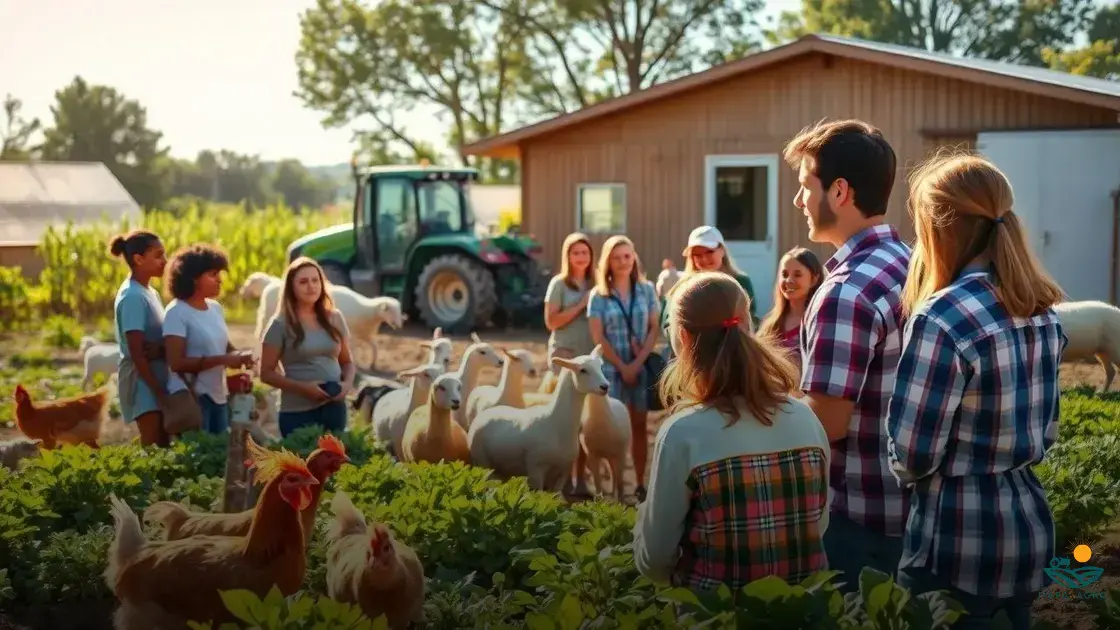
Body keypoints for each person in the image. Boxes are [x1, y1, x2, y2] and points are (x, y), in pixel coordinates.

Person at [885, 152, 1065, 629]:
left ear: (939, 228)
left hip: (955, 544)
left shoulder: (943, 316)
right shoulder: (1042, 311)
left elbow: (913, 454)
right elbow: (1047, 429)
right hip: (1027, 529)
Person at [633, 271, 830, 590]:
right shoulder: (805, 418)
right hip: (803, 611)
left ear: (682, 338)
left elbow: (655, 561)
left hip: (715, 616)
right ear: (748, 325)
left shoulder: (682, 433)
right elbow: (817, 526)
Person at [782, 118, 911, 589]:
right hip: (915, 511)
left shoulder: (846, 292)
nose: (799, 200)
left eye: (805, 186)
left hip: (860, 521)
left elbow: (827, 423)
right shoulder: (912, 260)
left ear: (839, 192)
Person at [587, 235, 660, 503]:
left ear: (634, 257)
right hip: (610, 370)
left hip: (639, 367)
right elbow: (598, 336)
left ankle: (639, 482)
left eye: (627, 256)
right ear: (608, 261)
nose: (622, 262)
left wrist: (637, 363)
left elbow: (654, 328)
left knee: (639, 426)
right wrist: (622, 365)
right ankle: (614, 486)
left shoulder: (647, 289)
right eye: (617, 257)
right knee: (613, 427)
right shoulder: (598, 295)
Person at [162, 244, 255, 435]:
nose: (219, 280)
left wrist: (240, 357)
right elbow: (176, 362)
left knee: (219, 454)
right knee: (199, 456)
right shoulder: (176, 312)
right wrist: (224, 360)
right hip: (194, 397)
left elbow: (224, 347)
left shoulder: (215, 308)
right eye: (212, 274)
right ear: (192, 278)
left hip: (219, 395)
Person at [260, 257, 356, 437]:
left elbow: (347, 362)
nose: (311, 286)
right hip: (297, 413)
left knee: (335, 462)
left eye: (315, 280)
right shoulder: (279, 325)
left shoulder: (335, 318)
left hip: (334, 408)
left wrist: (346, 386)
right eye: (303, 282)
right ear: (291, 288)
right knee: (301, 464)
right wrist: (304, 388)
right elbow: (265, 373)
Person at [544, 232, 597, 498]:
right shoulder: (558, 284)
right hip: (565, 360)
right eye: (575, 252)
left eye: (584, 253)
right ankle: (562, 478)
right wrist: (581, 304)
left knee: (585, 423)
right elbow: (551, 322)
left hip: (589, 362)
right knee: (565, 422)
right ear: (568, 256)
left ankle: (582, 479)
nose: (580, 257)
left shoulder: (597, 283)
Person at [110, 229, 171, 446]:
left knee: (164, 444)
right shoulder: (133, 296)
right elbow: (137, 353)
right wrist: (158, 391)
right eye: (158, 255)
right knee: (152, 444)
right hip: (143, 381)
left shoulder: (149, 293)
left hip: (155, 378)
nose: (165, 261)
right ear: (138, 259)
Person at [756, 247, 824, 371]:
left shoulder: (819, 324)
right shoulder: (770, 325)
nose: (789, 280)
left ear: (814, 279)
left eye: (797, 274)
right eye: (784, 274)